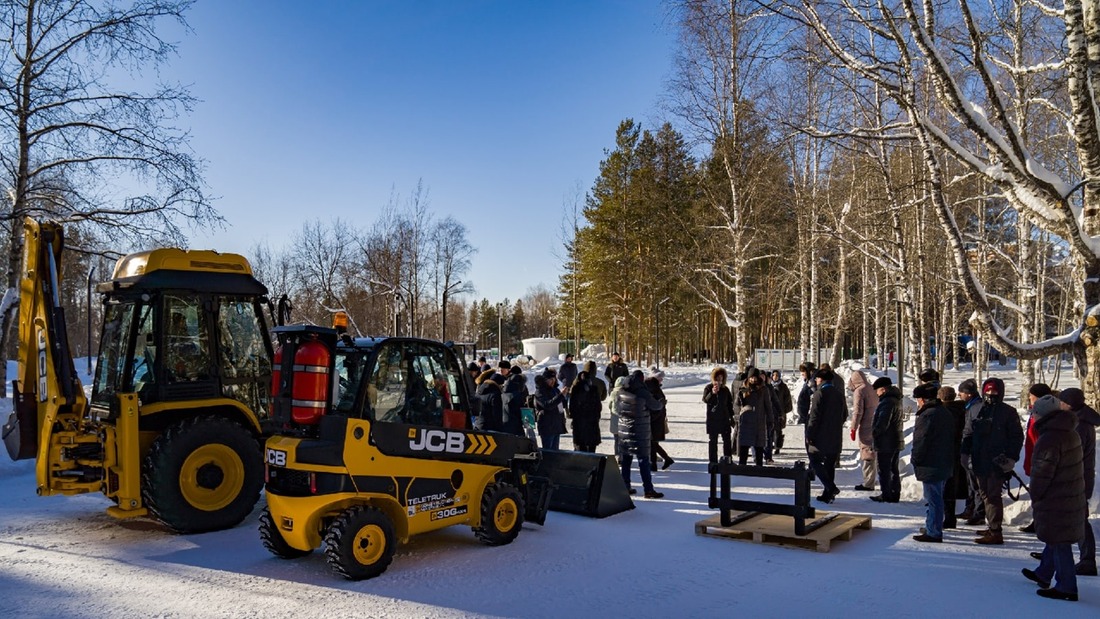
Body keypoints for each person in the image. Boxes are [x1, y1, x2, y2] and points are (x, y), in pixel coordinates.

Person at [1022, 394, 1087, 602]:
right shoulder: (1069, 432)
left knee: (1060, 541)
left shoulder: (1049, 438)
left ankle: (1067, 586)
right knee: (1057, 536)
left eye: (1035, 413)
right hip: (1069, 494)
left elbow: (1042, 472)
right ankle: (1044, 572)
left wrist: (1036, 494)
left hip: (1056, 496)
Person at [961, 377, 1024, 545]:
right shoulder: (975, 409)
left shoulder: (1008, 412)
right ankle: (991, 525)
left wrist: (1010, 457)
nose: (990, 394)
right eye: (988, 391)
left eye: (994, 392)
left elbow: (1017, 437)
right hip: (977, 460)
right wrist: (964, 453)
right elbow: (967, 433)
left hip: (997, 462)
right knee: (984, 494)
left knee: (993, 496)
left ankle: (996, 531)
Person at [1057, 388, 1099, 576]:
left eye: (1062, 401)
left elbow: (1072, 453)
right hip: (1078, 476)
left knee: (1079, 518)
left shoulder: (1079, 424)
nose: (1059, 404)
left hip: (1078, 477)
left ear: (1069, 403)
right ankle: (1054, 553)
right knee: (1066, 516)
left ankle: (1088, 559)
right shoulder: (1077, 420)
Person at [911, 383, 955, 543]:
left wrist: (915, 459)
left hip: (931, 462)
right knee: (937, 497)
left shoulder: (927, 415)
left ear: (922, 399)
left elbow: (921, 441)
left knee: (933, 499)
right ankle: (932, 526)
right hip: (943, 460)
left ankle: (934, 531)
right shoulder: (944, 412)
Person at [617, 370, 664, 498]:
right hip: (639, 432)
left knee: (626, 460)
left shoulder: (621, 392)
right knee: (643, 461)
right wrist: (661, 402)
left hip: (624, 432)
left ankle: (625, 487)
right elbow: (656, 406)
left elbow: (617, 409)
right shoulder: (643, 393)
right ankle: (648, 489)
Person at [806, 367, 846, 503]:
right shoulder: (839, 393)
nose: (816, 381)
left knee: (814, 460)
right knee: (830, 464)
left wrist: (809, 433)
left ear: (821, 379)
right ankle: (828, 494)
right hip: (835, 433)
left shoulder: (819, 394)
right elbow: (844, 414)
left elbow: (814, 416)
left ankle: (830, 487)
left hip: (820, 435)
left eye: (817, 378)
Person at [1020, 383, 1053, 534]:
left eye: (1032, 396)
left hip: (1041, 461)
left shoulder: (1045, 416)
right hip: (1034, 458)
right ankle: (1038, 520)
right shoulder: (1035, 414)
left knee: (1043, 494)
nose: (1029, 399)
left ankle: (1042, 522)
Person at [957, 378, 987, 525]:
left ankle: (978, 512)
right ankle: (971, 508)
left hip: (975, 450)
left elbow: (972, 430)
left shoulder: (977, 407)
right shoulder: (970, 406)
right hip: (969, 449)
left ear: (968, 394)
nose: (959, 395)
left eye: (961, 393)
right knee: (971, 483)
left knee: (976, 484)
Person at [938, 385, 967, 529]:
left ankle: (947, 517)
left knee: (945, 486)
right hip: (959, 450)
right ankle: (951, 516)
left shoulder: (943, 412)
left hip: (945, 452)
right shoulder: (963, 409)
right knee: (953, 484)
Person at [870, 376, 903, 503]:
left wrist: (874, 433)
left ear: (883, 390)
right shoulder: (896, 399)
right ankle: (895, 493)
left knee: (884, 469)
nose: (876, 393)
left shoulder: (887, 402)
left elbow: (883, 423)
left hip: (886, 442)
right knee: (893, 468)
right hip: (895, 440)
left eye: (877, 390)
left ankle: (887, 494)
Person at [734, 367, 773, 466]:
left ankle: (759, 468)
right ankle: (742, 468)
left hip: (758, 422)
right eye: (751, 378)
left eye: (755, 378)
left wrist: (770, 420)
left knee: (758, 447)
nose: (753, 380)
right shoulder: (743, 389)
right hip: (745, 422)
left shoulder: (763, 390)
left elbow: (768, 406)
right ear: (748, 378)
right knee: (744, 447)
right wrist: (738, 415)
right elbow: (736, 405)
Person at [848, 369, 878, 491]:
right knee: (873, 452)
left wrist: (853, 427)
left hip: (866, 426)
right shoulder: (871, 388)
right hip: (875, 424)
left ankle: (868, 483)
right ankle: (873, 480)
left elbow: (858, 412)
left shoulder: (859, 391)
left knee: (867, 454)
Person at [568, 366, 603, 452]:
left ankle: (581, 463)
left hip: (579, 423)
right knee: (591, 448)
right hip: (592, 422)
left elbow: (572, 407)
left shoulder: (576, 389)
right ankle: (592, 463)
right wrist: (596, 417)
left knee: (580, 447)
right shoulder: (594, 389)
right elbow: (598, 406)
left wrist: (574, 417)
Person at [703, 367, 734, 464]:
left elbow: (730, 404)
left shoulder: (725, 390)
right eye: (717, 378)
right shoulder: (708, 387)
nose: (719, 380)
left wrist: (732, 417)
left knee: (727, 440)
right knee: (713, 441)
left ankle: (728, 459)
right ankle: (713, 461)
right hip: (713, 419)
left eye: (721, 377)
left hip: (724, 418)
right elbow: (705, 400)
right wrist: (712, 393)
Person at [645, 368, 674, 470]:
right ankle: (664, 460)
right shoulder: (653, 388)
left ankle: (655, 463)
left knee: (652, 442)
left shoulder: (653, 388)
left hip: (654, 419)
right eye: (660, 378)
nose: (662, 380)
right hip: (657, 419)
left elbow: (657, 406)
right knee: (653, 442)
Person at [533, 370, 567, 450]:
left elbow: (562, 405)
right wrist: (561, 396)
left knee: (555, 453)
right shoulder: (540, 391)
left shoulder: (555, 390)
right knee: (548, 452)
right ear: (545, 380)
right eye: (550, 379)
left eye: (554, 379)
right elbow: (547, 405)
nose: (553, 381)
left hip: (556, 425)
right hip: (547, 426)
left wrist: (564, 396)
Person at [501, 365, 528, 437]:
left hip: (504, 425)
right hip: (516, 426)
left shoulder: (504, 393)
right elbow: (521, 412)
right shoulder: (516, 395)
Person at [770, 370, 793, 455]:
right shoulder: (769, 386)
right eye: (774, 375)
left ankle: (777, 447)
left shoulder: (783, 387)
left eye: (777, 375)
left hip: (780, 413)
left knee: (778, 431)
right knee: (770, 430)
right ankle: (770, 445)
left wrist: (784, 411)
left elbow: (788, 400)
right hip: (770, 412)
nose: (775, 377)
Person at [609, 375, 629, 454]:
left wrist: (612, 410)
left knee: (616, 439)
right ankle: (623, 454)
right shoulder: (627, 393)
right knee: (624, 439)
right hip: (624, 418)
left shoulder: (613, 393)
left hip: (615, 417)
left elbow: (610, 405)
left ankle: (617, 454)